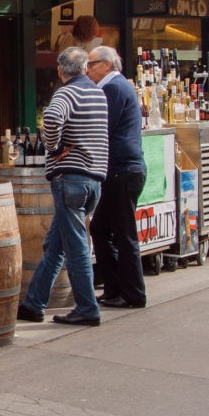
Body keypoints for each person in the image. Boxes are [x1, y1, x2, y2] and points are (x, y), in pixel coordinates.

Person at [16, 47, 108, 326]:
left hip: (71, 178)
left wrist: (54, 149)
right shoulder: (98, 93)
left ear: (59, 70)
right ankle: (34, 304)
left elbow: (53, 119)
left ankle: (87, 308)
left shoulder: (66, 93)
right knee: (55, 244)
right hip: (93, 180)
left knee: (76, 247)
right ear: (84, 68)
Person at [84, 47, 147, 309]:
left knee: (124, 234)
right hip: (120, 170)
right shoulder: (115, 87)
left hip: (123, 170)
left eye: (92, 64)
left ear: (107, 64)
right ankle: (113, 289)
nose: (87, 69)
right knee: (100, 228)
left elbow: (101, 127)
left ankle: (133, 294)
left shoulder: (114, 89)